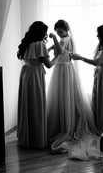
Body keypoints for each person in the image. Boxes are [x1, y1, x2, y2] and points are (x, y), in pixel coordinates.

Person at [47, 19, 102, 160]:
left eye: (60, 32)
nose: (58, 34)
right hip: (65, 69)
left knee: (64, 96)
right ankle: (65, 120)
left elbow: (60, 51)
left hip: (63, 70)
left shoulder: (64, 39)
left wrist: (53, 40)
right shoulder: (67, 38)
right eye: (57, 32)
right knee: (65, 96)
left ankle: (66, 125)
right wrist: (54, 46)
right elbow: (62, 49)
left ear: (65, 30)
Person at [71, 24, 103, 135]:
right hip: (100, 75)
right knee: (99, 100)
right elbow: (97, 61)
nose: (97, 35)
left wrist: (81, 58)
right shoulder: (102, 46)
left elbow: (97, 62)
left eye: (98, 33)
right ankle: (99, 123)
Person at [16, 21, 60, 149]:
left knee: (27, 104)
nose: (46, 34)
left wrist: (48, 50)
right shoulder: (40, 45)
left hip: (25, 73)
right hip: (35, 75)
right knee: (36, 104)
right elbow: (49, 64)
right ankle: (37, 139)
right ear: (41, 33)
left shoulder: (27, 43)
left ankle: (27, 137)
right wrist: (57, 56)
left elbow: (35, 57)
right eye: (45, 32)